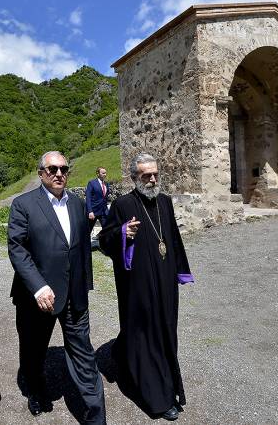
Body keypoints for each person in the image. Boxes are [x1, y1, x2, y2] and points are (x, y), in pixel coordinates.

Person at [8, 151, 106, 423]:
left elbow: (81, 247)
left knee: (84, 355)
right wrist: (39, 287)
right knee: (33, 349)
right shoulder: (23, 204)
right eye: (52, 169)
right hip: (37, 297)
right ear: (41, 173)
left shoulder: (77, 204)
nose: (59, 173)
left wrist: (85, 284)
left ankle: (96, 416)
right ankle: (36, 391)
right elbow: (17, 249)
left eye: (63, 168)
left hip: (74, 295)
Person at [98, 153, 194, 422]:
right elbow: (104, 241)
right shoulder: (123, 205)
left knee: (165, 332)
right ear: (134, 178)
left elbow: (172, 238)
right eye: (145, 175)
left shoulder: (165, 201)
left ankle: (123, 354)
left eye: (155, 174)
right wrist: (121, 234)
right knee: (145, 335)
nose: (152, 179)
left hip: (164, 285)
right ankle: (159, 399)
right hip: (137, 288)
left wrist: (180, 271)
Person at [85, 167, 110, 232]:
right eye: (103, 173)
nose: (105, 174)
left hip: (104, 211)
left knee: (107, 229)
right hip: (94, 211)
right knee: (88, 230)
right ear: (98, 174)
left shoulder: (106, 184)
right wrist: (90, 211)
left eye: (105, 173)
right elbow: (88, 198)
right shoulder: (92, 183)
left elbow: (105, 197)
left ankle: (104, 241)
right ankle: (86, 242)